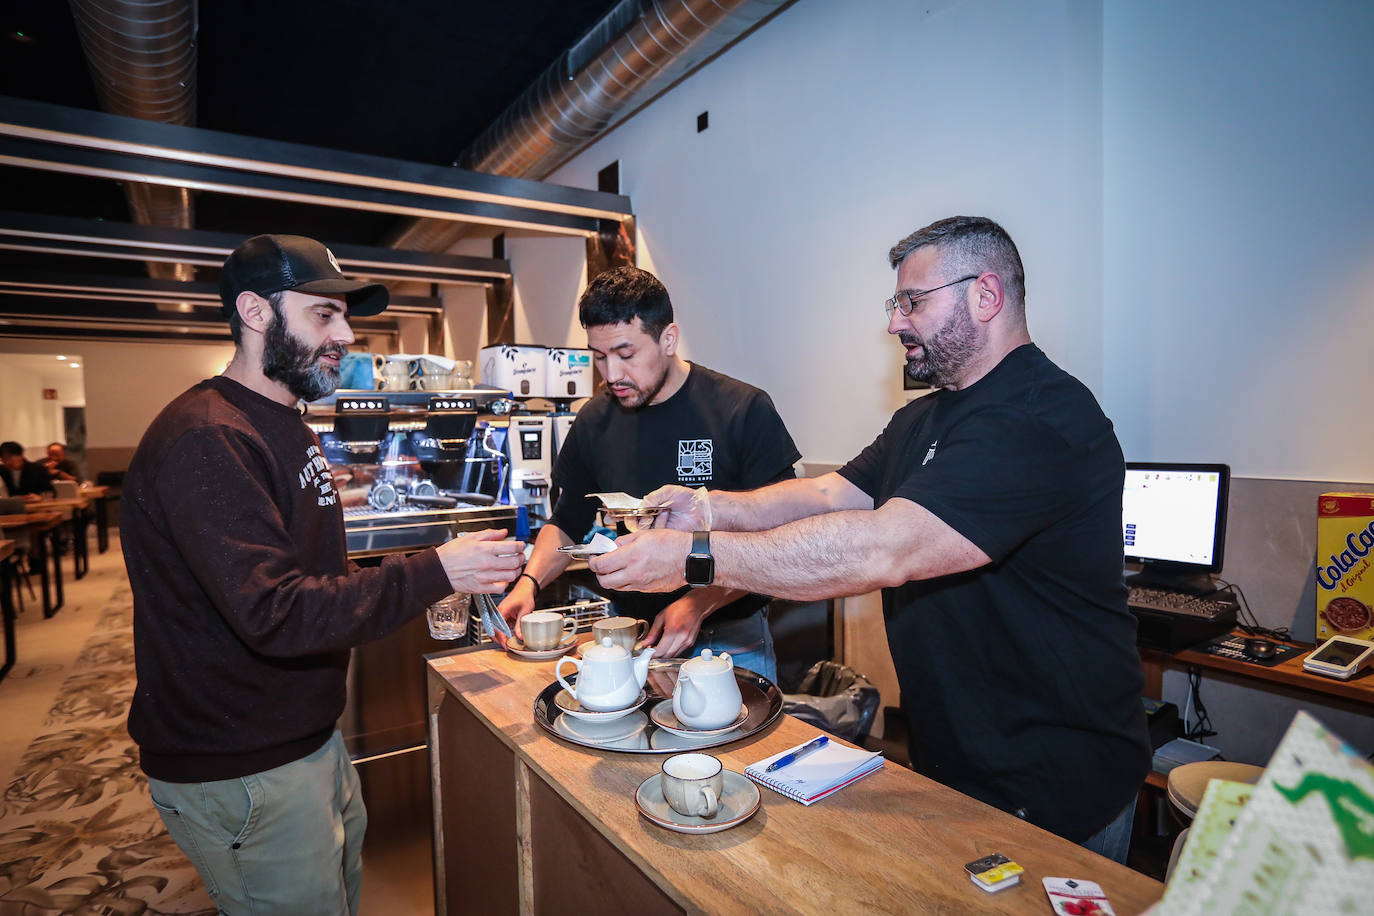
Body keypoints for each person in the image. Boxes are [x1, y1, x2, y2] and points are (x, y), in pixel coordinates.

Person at [590, 216, 1151, 861]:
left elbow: (888, 547)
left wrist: (696, 558)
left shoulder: (1037, 417)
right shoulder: (925, 415)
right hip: (958, 756)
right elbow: (829, 494)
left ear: (985, 295)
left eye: (913, 301)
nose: (895, 323)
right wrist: (707, 507)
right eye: (896, 303)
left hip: (1053, 777)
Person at [122, 234, 525, 915]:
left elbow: (305, 565)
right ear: (255, 312)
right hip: (244, 765)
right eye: (323, 315)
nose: (345, 334)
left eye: (344, 315)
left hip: (303, 740)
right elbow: (275, 612)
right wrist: (436, 570)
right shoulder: (207, 437)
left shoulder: (285, 423)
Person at [495, 266, 800, 683]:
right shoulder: (594, 420)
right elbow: (567, 521)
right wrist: (529, 582)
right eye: (598, 357)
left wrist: (699, 602)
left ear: (668, 338)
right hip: (627, 636)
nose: (612, 375)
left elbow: (780, 538)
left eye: (626, 354)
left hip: (728, 639)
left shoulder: (741, 409)